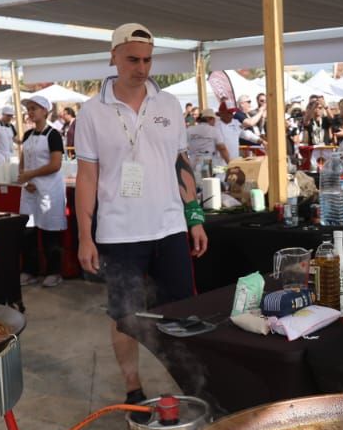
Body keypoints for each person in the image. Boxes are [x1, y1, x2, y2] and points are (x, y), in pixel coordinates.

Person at [75, 23, 207, 405]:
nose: (141, 68)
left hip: (169, 226)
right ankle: (133, 389)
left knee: (182, 315)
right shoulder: (91, 112)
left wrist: (194, 217)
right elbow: (87, 176)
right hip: (119, 232)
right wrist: (85, 235)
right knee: (126, 318)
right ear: (113, 56)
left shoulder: (168, 104)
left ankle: (191, 388)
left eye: (148, 60)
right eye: (132, 59)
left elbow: (181, 162)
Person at [17, 93, 66, 288]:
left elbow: (55, 164)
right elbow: (22, 161)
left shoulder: (53, 135)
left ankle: (54, 272)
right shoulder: (28, 135)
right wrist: (24, 178)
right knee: (28, 232)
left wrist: (30, 175)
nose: (30, 112)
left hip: (49, 191)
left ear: (45, 111)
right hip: (29, 191)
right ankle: (30, 270)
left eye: (34, 108)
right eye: (28, 109)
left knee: (49, 233)